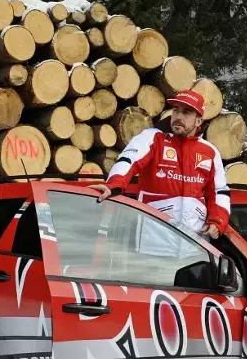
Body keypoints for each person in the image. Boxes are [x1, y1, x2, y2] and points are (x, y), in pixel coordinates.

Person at [88, 90, 230, 253]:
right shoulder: (153, 138)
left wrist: (218, 221)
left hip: (195, 248)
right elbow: (128, 161)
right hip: (153, 245)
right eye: (176, 110)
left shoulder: (209, 151)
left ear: (198, 121)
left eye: (186, 112)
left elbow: (220, 192)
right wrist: (113, 185)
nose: (178, 116)